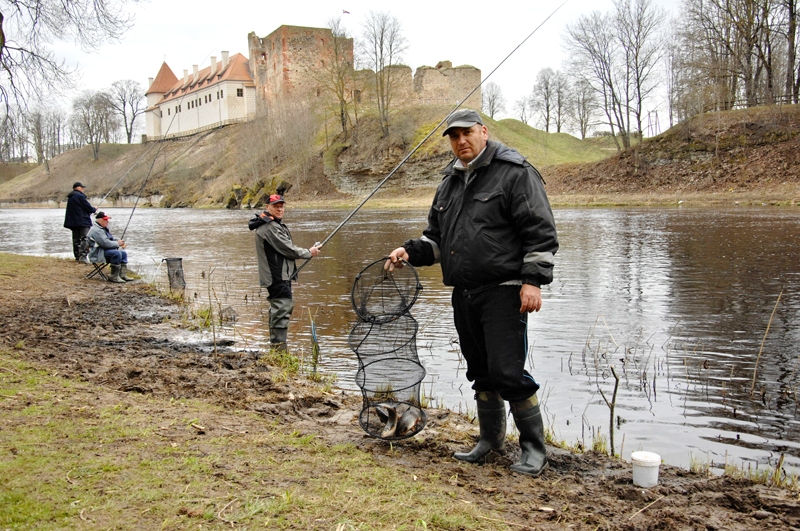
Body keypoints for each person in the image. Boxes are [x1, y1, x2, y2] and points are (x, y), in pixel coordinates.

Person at [385, 108, 559, 477]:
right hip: (464, 292)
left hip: (505, 290)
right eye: (453, 136)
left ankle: (534, 450)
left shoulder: (516, 172)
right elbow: (437, 239)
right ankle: (490, 442)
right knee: (480, 371)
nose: (461, 141)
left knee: (507, 372)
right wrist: (409, 251)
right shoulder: (448, 182)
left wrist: (533, 281)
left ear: (484, 131)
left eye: (467, 133)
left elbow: (540, 233)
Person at [250, 193, 321, 352]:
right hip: (276, 276)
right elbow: (288, 249)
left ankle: (277, 350)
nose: (280, 209)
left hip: (281, 275)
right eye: (276, 206)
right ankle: (279, 352)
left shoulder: (273, 224)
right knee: (282, 307)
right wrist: (309, 252)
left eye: (282, 206)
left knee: (279, 308)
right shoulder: (269, 227)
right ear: (267, 207)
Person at [87, 211, 134, 283]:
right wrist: (117, 243)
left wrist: (118, 241)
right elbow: (105, 244)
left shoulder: (101, 229)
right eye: (105, 220)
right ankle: (114, 276)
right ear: (99, 220)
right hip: (97, 254)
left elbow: (109, 239)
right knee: (116, 253)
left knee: (123, 253)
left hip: (102, 251)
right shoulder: (96, 231)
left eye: (107, 220)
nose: (107, 221)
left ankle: (122, 275)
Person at [63, 182, 97, 263]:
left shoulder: (71, 197)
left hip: (73, 223)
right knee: (85, 238)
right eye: (82, 187)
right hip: (82, 222)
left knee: (76, 239)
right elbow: (88, 208)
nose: (83, 189)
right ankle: (83, 257)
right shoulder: (80, 196)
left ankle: (77, 256)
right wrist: (94, 209)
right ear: (77, 188)